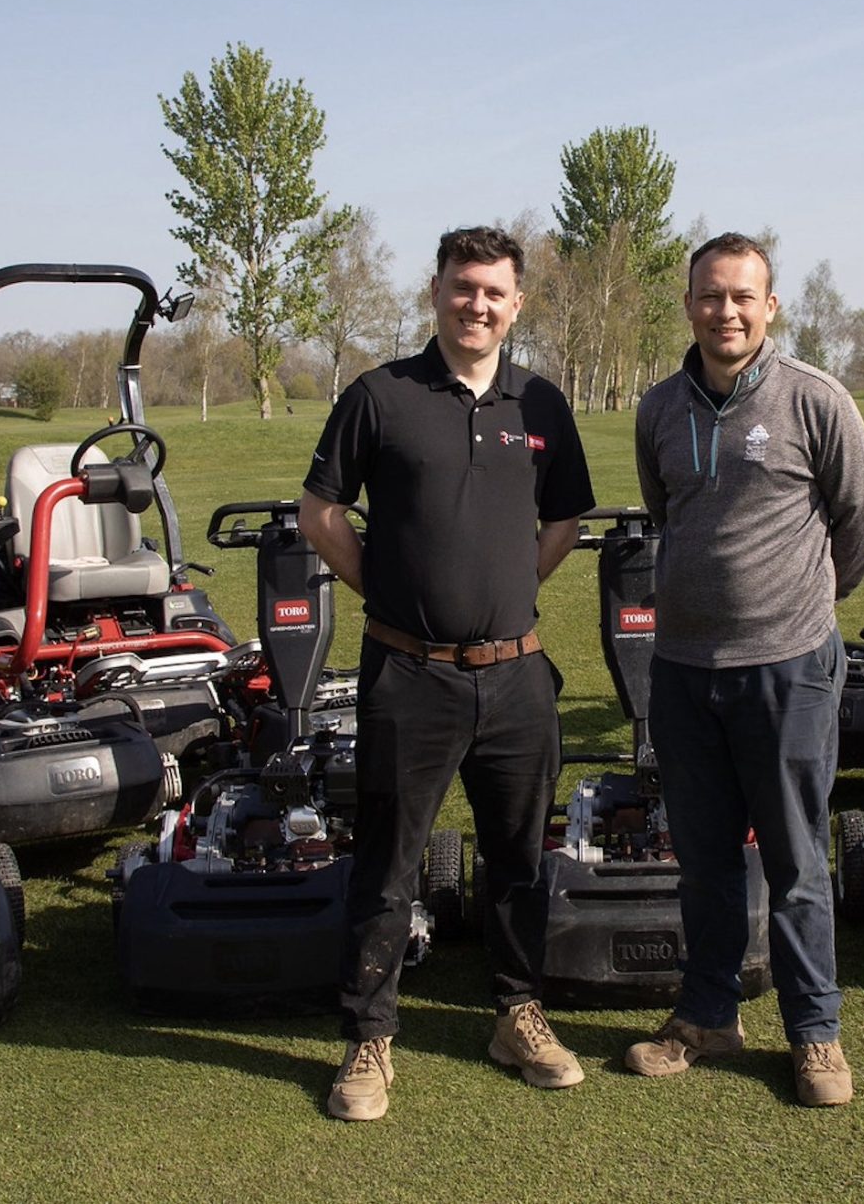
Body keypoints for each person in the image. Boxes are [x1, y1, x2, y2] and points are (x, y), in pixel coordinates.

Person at [299, 225, 594, 1122]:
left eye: (495, 292)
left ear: (517, 303)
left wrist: (503, 601)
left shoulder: (540, 402)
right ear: (436, 291)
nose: (478, 304)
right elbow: (320, 511)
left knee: (517, 862)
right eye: (464, 287)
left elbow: (563, 525)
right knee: (387, 866)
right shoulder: (380, 395)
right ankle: (369, 1038)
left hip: (515, 677)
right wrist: (384, 590)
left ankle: (516, 1013)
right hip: (408, 675)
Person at [622, 231, 864, 1107]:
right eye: (710, 295)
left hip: (788, 669)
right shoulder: (658, 408)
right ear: (689, 303)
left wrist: (798, 607)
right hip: (684, 671)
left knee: (797, 856)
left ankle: (816, 1034)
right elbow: (668, 513)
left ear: (770, 307)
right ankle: (707, 1015)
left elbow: (860, 527)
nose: (725, 311)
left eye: (743, 296)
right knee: (701, 857)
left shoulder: (816, 399)